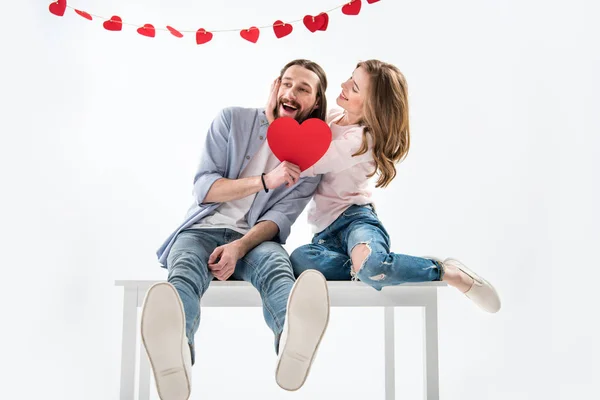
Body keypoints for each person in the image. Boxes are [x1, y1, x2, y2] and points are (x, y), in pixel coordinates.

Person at [141, 59, 332, 400]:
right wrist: (265, 181)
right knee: (184, 270)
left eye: (303, 89)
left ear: (315, 102)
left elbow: (278, 220)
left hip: (254, 241)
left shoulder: (312, 163)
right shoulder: (232, 120)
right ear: (276, 85)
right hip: (202, 230)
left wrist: (239, 248)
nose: (291, 93)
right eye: (287, 83)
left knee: (277, 267)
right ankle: (177, 351)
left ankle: (291, 337)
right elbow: (206, 189)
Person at [268, 59, 501, 313]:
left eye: (354, 87)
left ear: (372, 107)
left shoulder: (362, 139)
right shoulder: (333, 117)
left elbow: (309, 163)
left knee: (372, 268)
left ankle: (449, 273)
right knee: (300, 262)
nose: (343, 85)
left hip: (355, 220)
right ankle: (380, 266)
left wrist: (272, 120)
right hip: (324, 235)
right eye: (350, 78)